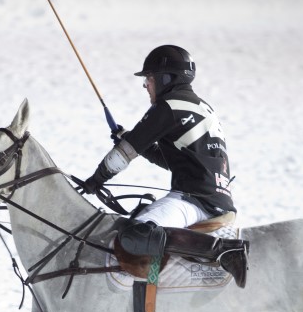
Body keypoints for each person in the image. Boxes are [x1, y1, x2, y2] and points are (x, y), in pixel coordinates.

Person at [82, 45, 249, 288]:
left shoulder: (168, 106)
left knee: (136, 233)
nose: (146, 85)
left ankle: (223, 251)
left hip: (195, 201)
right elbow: (170, 160)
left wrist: (95, 180)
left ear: (165, 78)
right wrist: (131, 138)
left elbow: (123, 154)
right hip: (214, 199)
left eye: (149, 78)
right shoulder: (201, 106)